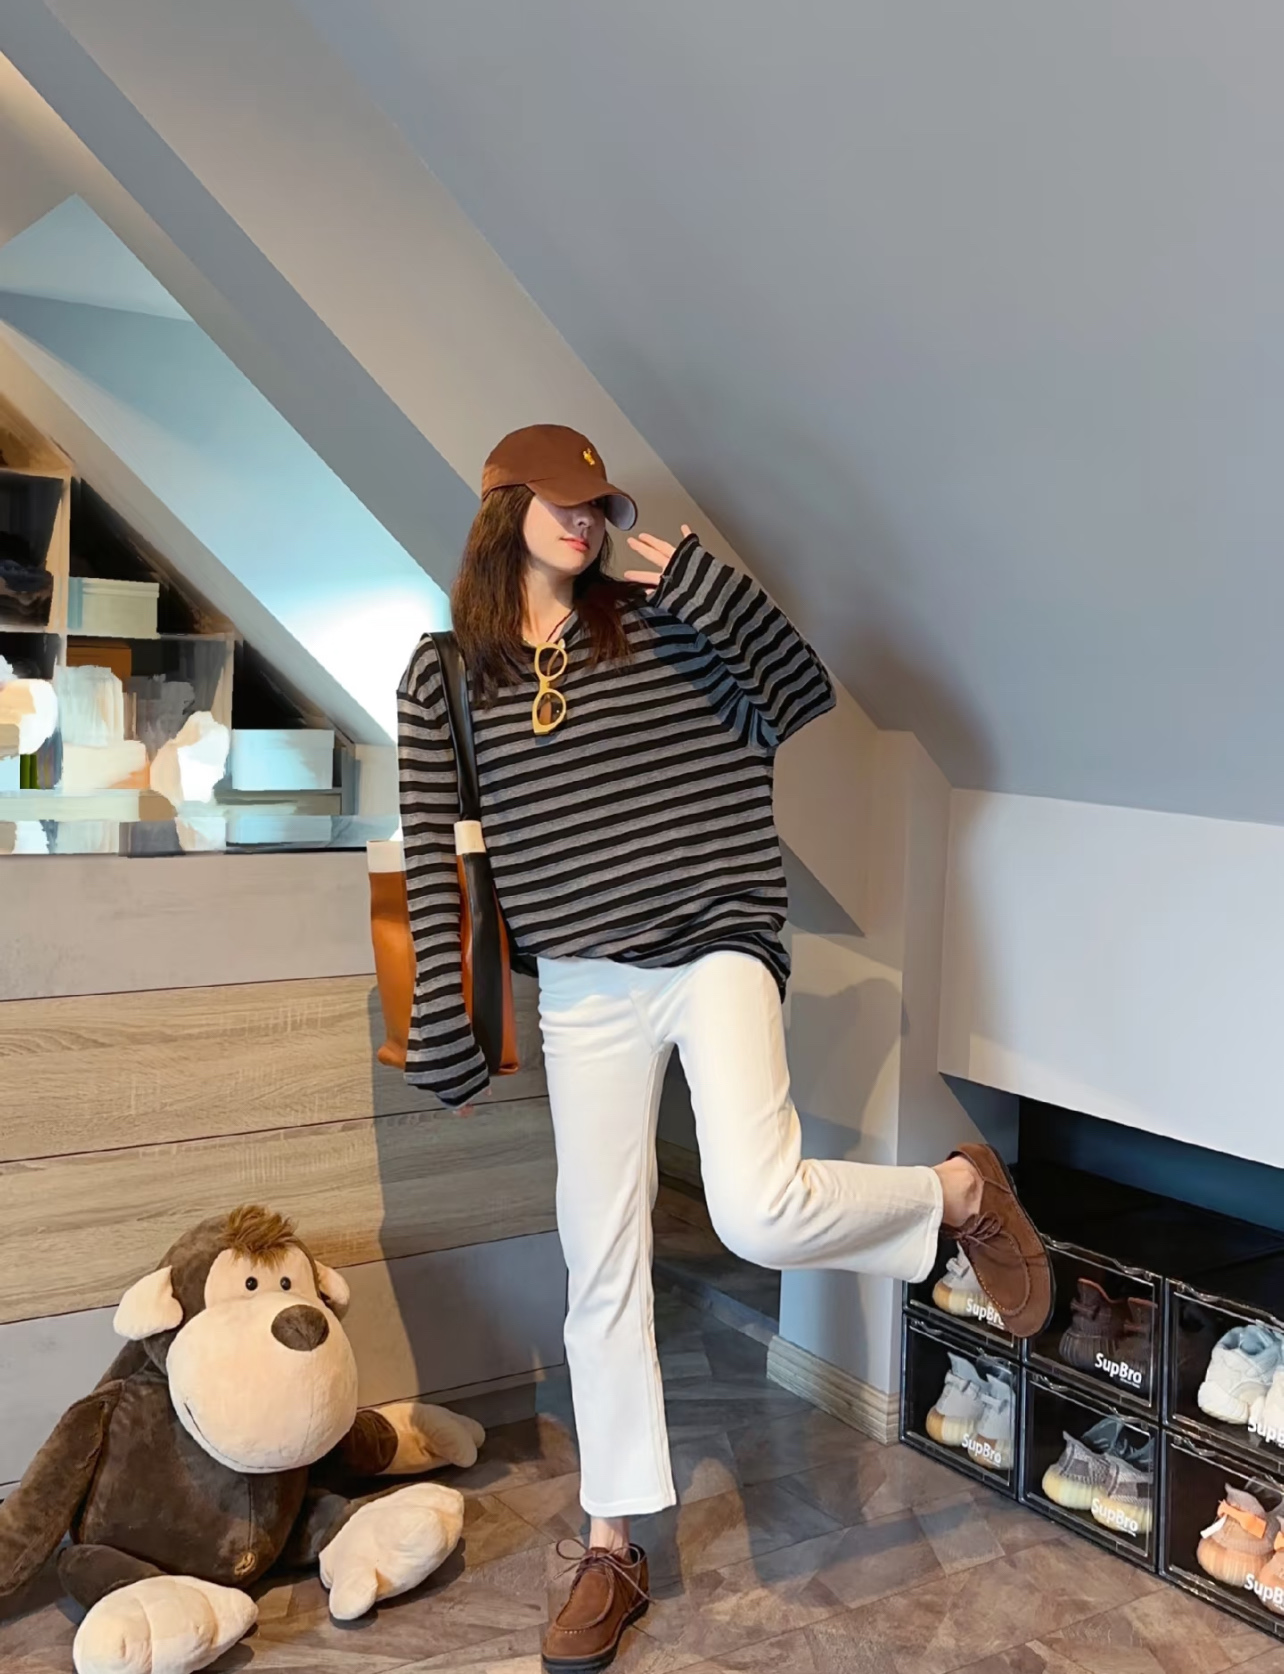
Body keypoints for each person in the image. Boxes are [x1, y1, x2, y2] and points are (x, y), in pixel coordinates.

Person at [397, 425, 1052, 1673]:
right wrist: (444, 1015)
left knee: (756, 1209)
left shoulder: (662, 621)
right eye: (562, 502)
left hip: (718, 947)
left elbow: (802, 695)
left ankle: (957, 1193)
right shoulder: (446, 676)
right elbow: (435, 850)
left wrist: (710, 589)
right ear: (502, 507)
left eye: (597, 505)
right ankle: (612, 1543)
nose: (585, 522)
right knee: (600, 1260)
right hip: (582, 984)